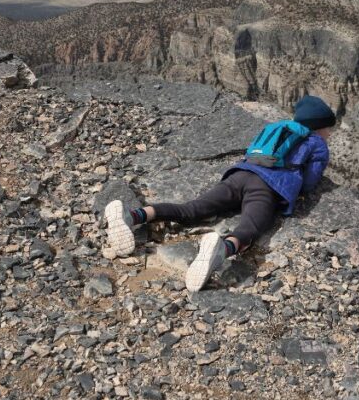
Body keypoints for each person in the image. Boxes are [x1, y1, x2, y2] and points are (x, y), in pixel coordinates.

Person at [103, 95, 336, 292]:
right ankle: (221, 250)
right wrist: (298, 190)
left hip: (239, 174)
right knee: (250, 228)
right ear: (319, 126)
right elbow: (310, 181)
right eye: (328, 128)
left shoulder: (278, 128)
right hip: (267, 187)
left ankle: (133, 216)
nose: (330, 134)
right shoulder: (318, 144)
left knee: (192, 209)